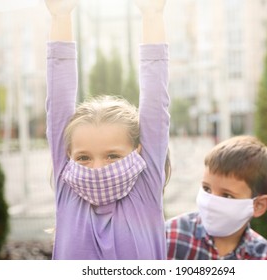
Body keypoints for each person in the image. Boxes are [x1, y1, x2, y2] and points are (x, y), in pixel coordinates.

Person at [45, 0, 170, 259]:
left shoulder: (146, 185)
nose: (98, 169)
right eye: (83, 158)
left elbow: (157, 100)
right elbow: (57, 101)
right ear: (67, 155)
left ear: (139, 151)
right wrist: (60, 16)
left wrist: (152, 14)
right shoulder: (67, 185)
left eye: (113, 156)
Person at [165, 135, 267, 260]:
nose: (210, 202)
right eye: (206, 189)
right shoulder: (170, 236)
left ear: (258, 205)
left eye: (227, 195)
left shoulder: (265, 257)